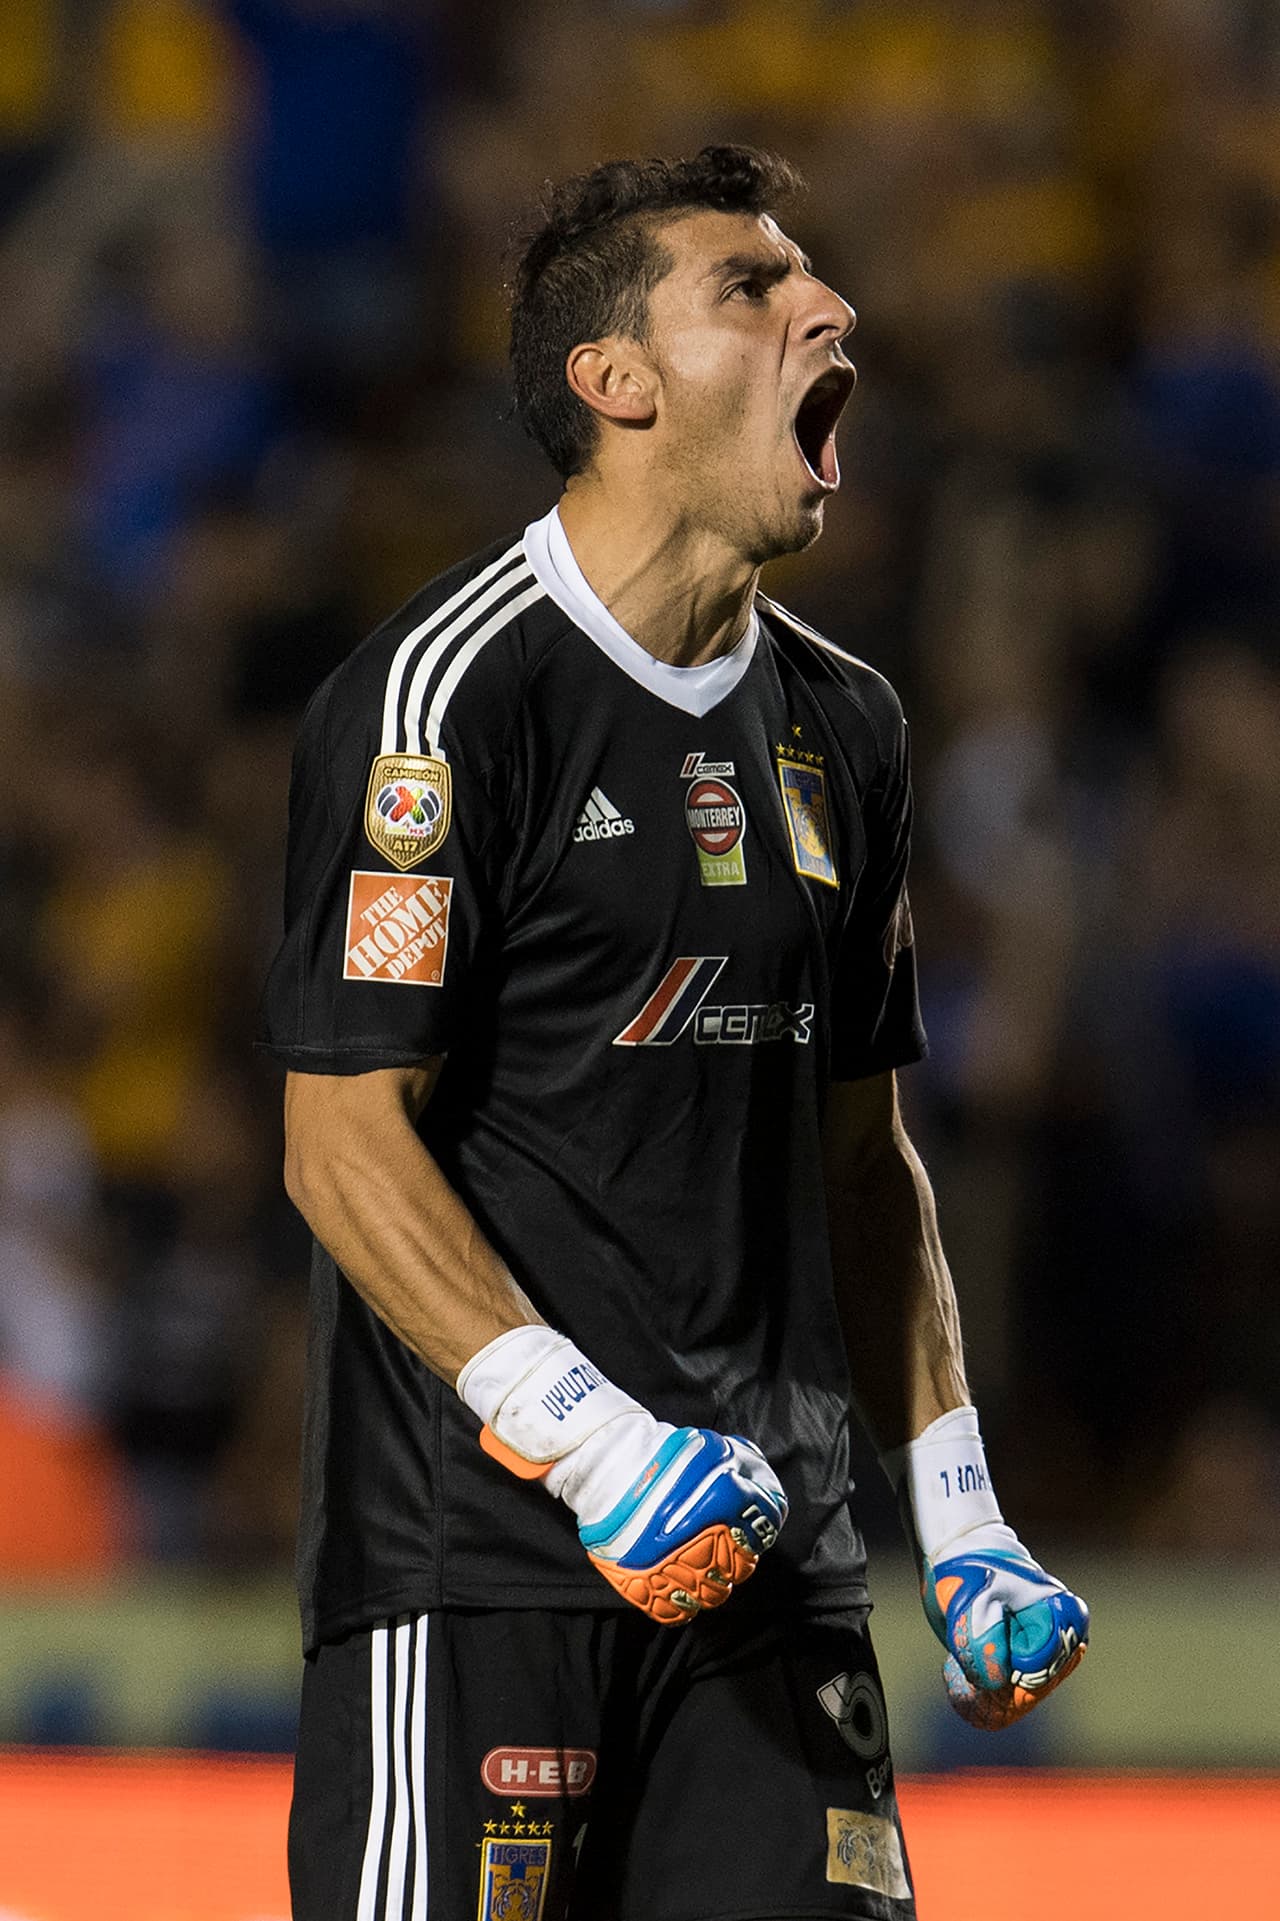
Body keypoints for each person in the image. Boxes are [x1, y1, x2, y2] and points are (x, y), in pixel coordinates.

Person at [262, 145, 1088, 1921]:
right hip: (483, 1573)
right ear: (615, 384)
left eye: (813, 282)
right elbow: (341, 1136)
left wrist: (959, 1510)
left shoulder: (847, 727)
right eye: (752, 287)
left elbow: (864, 1161)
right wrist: (591, 1438)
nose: (827, 305)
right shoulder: (443, 700)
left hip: (775, 1579)